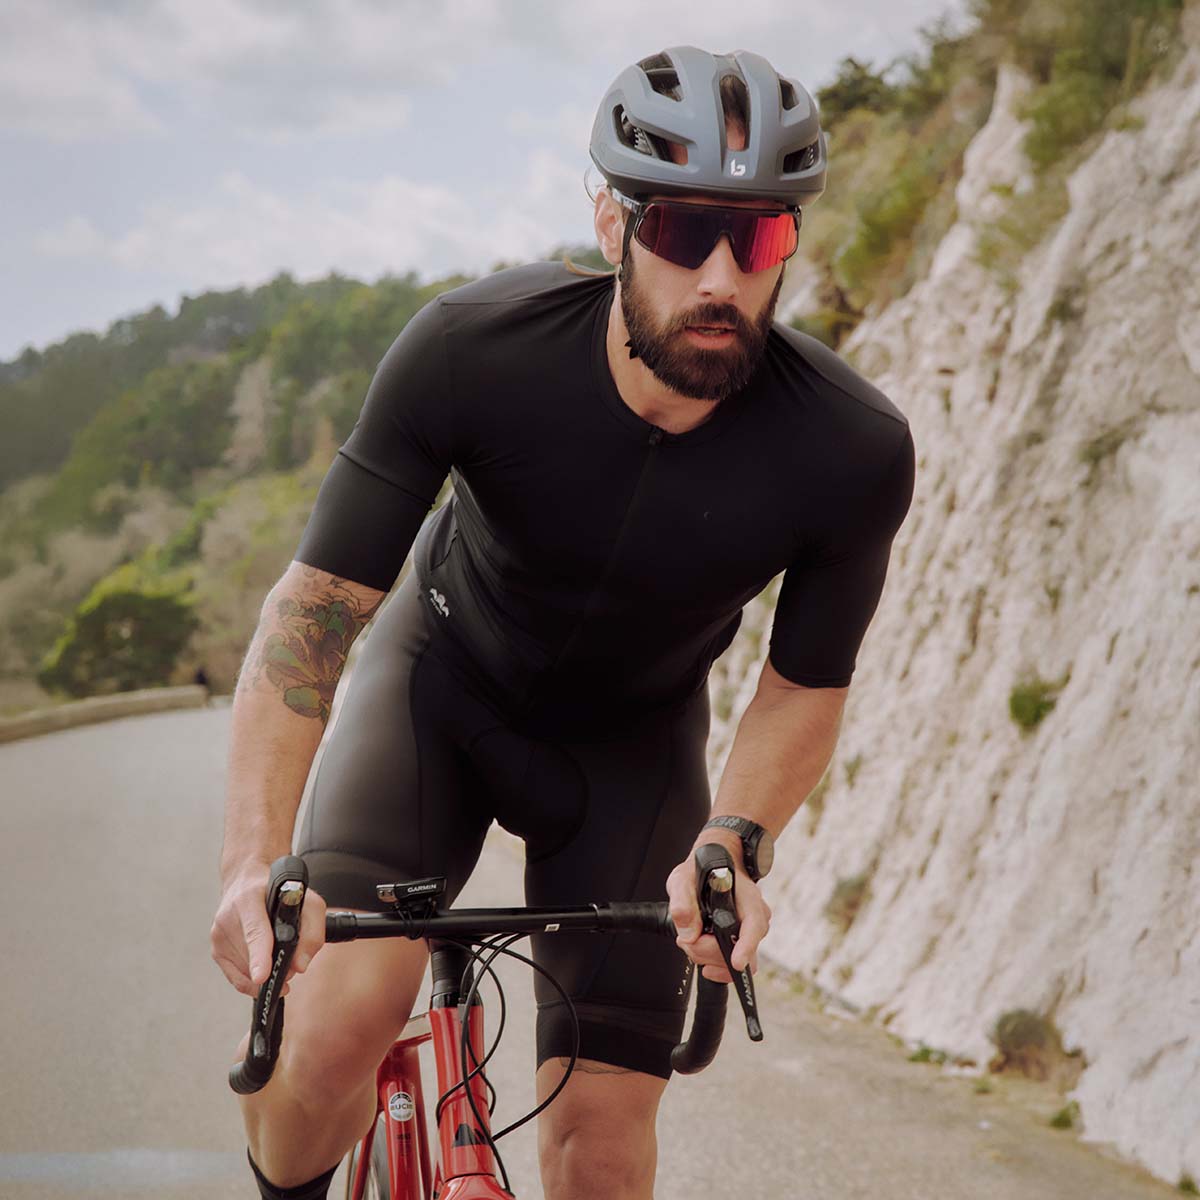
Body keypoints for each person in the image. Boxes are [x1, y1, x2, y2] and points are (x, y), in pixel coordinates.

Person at [211, 46, 914, 1200]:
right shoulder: (471, 351)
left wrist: (734, 841)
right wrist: (252, 864)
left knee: (601, 1141)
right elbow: (315, 616)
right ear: (611, 222)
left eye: (760, 240)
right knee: (335, 1034)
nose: (721, 278)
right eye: (683, 230)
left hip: (632, 753)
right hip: (438, 693)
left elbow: (803, 684)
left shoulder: (851, 448)